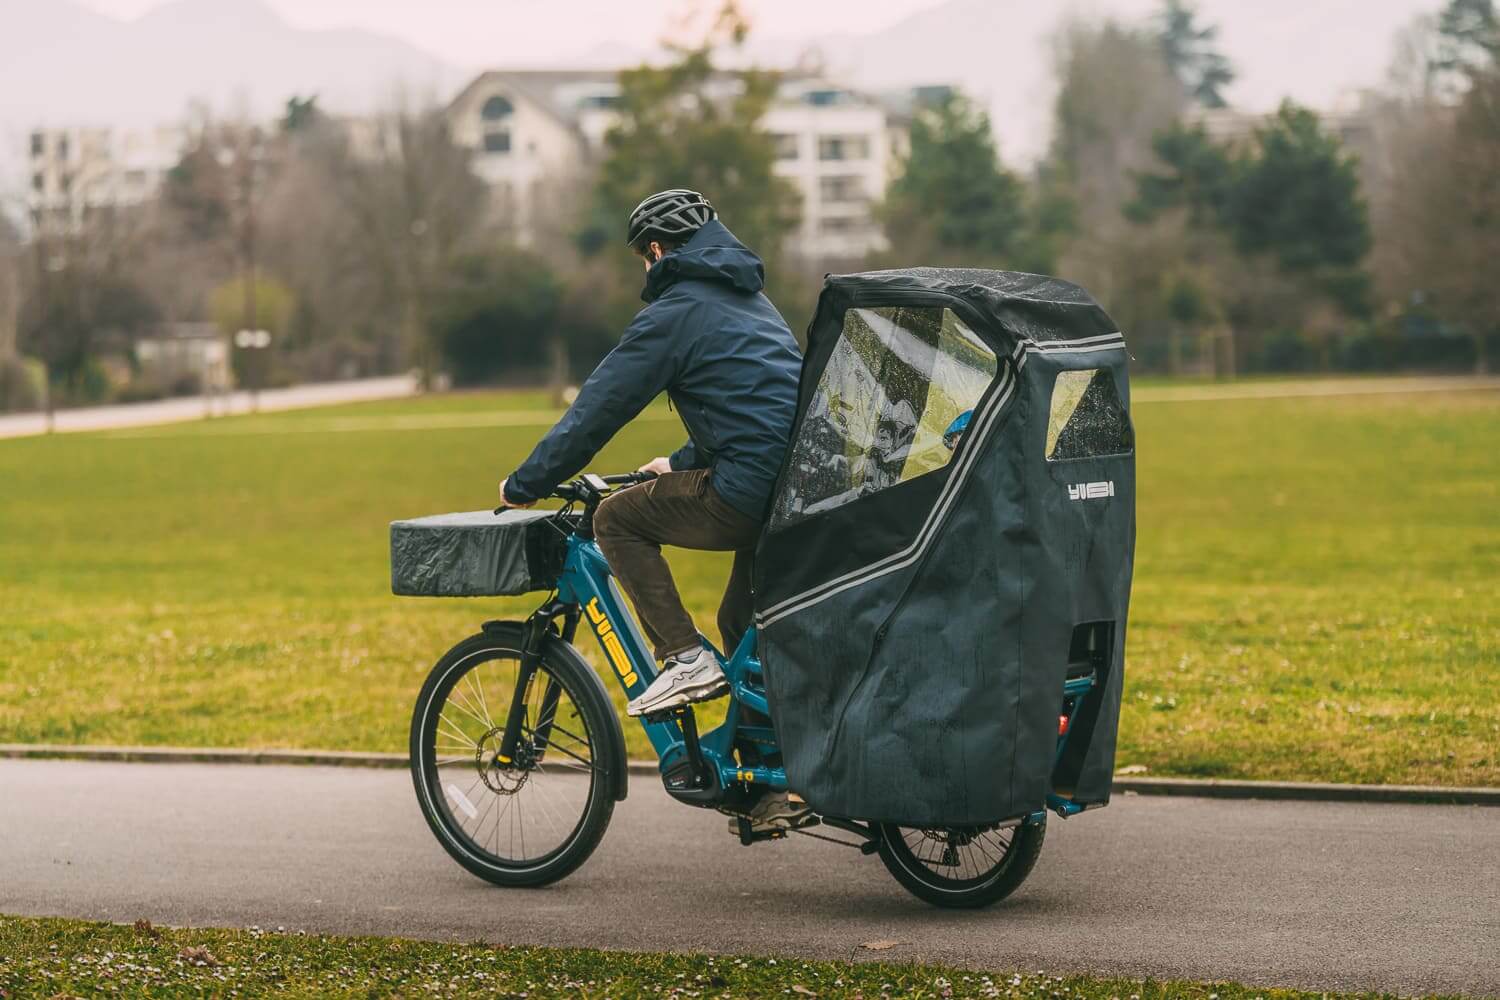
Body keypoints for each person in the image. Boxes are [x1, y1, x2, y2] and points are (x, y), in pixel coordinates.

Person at [498, 189, 802, 729]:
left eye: (643, 257)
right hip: (799, 487)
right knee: (741, 623)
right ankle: (766, 793)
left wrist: (526, 481)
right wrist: (681, 463)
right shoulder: (753, 302)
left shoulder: (675, 313)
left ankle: (684, 657)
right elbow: (762, 410)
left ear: (657, 252)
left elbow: (599, 408)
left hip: (748, 491)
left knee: (615, 517)